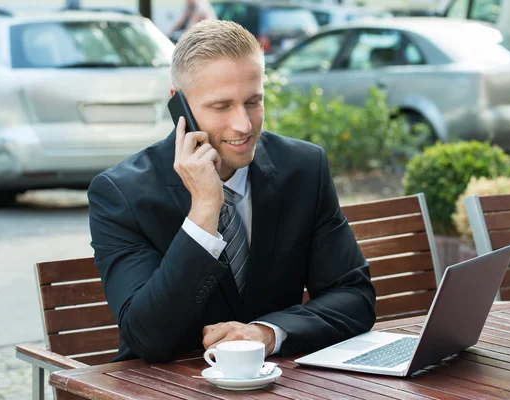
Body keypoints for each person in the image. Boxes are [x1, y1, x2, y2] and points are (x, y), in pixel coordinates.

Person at [88, 20, 376, 363]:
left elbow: (354, 297)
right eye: (222, 106)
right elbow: (148, 338)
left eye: (253, 101)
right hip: (167, 385)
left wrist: (266, 333)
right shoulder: (122, 194)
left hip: (279, 383)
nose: (244, 125)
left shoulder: (303, 168)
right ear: (178, 105)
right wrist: (205, 210)